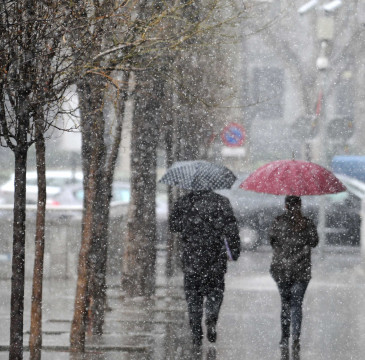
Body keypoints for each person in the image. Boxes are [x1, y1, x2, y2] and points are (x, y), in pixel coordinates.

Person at [169, 190, 240, 346]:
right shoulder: (222, 202)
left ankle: (196, 332)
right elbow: (231, 230)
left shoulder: (184, 202)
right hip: (215, 259)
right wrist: (234, 252)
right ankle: (211, 316)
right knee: (215, 291)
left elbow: (173, 226)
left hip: (192, 259)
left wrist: (188, 225)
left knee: (193, 297)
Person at [269, 195, 319, 360]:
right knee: (296, 305)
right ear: (300, 205)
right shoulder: (307, 223)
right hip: (301, 271)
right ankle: (296, 337)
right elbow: (314, 242)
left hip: (282, 270)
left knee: (285, 304)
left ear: (285, 206)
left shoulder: (277, 222)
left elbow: (272, 241)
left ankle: (284, 338)